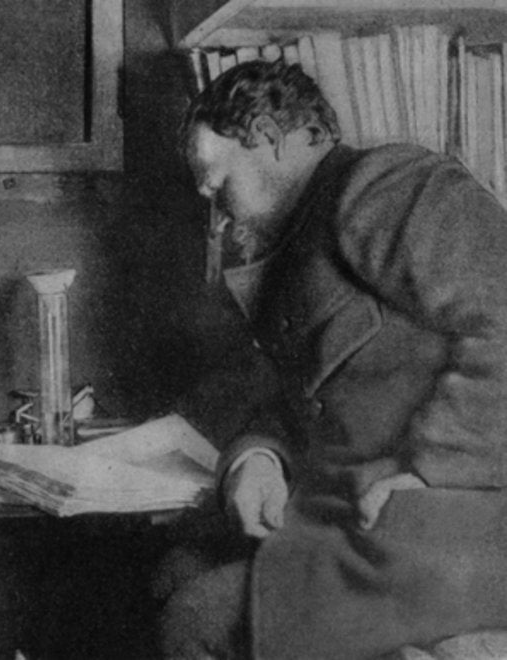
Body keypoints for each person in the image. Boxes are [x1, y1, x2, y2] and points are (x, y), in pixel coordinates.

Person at [158, 59, 507, 659]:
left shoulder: (381, 185)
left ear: (267, 137)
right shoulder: (296, 245)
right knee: (178, 568)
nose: (217, 216)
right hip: (363, 524)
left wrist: (434, 468)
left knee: (197, 617)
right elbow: (304, 399)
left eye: (218, 185)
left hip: (446, 524)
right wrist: (259, 459)